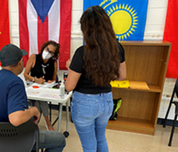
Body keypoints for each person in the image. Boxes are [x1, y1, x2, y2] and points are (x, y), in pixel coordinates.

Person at [65, 6, 126, 152]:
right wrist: (105, 72)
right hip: (106, 100)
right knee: (100, 138)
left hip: (85, 103)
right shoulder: (117, 48)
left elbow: (69, 86)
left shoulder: (82, 52)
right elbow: (121, 76)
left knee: (89, 145)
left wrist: (70, 68)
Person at [0, 44, 66, 152]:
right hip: (11, 138)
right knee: (60, 139)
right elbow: (16, 119)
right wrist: (34, 110)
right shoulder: (16, 82)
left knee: (30, 121)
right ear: (20, 63)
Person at [24, 40, 60, 131]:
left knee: (40, 99)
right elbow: (25, 74)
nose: (47, 52)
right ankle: (48, 122)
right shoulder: (34, 57)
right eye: (47, 49)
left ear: (53, 55)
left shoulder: (54, 62)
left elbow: (53, 79)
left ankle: (35, 121)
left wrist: (50, 82)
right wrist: (35, 80)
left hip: (45, 89)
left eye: (51, 52)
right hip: (33, 87)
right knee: (41, 99)